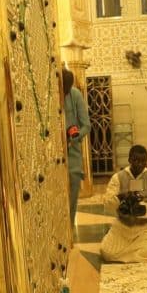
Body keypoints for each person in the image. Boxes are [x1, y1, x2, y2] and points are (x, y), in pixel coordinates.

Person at [100, 145, 147, 263]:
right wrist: (121, 197)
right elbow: (107, 203)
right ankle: (133, 254)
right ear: (129, 160)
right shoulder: (118, 177)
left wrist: (140, 209)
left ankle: (128, 253)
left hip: (145, 228)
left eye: (143, 161)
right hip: (122, 226)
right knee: (106, 251)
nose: (140, 164)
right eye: (136, 160)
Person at [63, 68, 90, 225]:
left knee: (72, 198)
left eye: (67, 90)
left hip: (72, 156)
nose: (65, 93)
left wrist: (75, 135)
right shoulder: (49, 96)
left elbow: (86, 126)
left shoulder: (75, 95)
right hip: (52, 157)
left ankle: (69, 230)